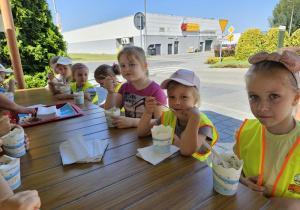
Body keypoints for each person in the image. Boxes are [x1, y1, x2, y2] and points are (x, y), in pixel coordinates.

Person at [233, 51, 300, 209]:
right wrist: (240, 180)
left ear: (296, 97)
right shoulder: (245, 133)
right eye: (254, 97)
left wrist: (290, 204)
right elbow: (235, 167)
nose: (262, 108)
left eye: (274, 96)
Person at [137, 69, 218, 160]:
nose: (176, 102)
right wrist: (148, 112)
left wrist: (194, 118)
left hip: (196, 172)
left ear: (195, 100)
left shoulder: (204, 125)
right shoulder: (168, 116)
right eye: (172, 97)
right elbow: (142, 132)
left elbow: (186, 151)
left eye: (183, 97)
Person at [102, 46, 167, 128]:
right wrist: (110, 92)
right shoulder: (124, 87)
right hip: (128, 136)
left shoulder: (156, 91)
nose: (126, 69)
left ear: (144, 66)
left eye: (131, 64)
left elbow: (161, 121)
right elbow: (110, 111)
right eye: (122, 66)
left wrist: (133, 122)